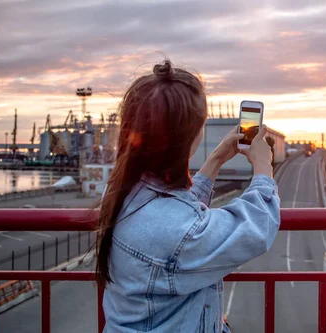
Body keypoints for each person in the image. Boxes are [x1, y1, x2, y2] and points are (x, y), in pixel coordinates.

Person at [96, 59, 280, 332]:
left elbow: (177, 217)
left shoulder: (128, 193)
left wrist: (217, 158)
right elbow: (255, 228)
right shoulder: (176, 231)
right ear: (188, 137)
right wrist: (263, 168)